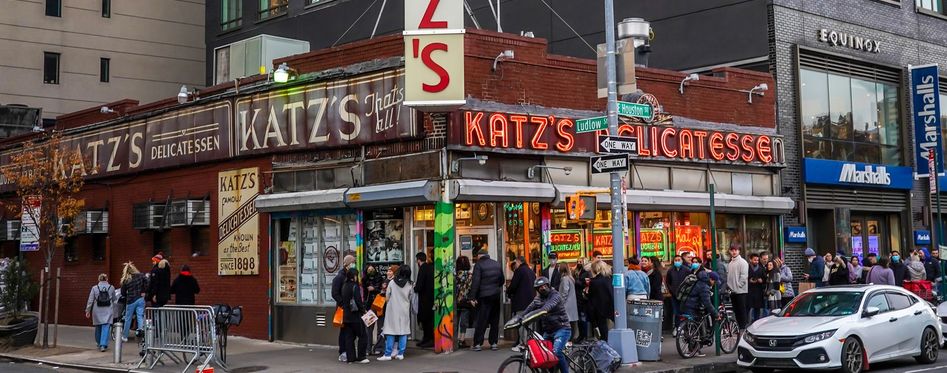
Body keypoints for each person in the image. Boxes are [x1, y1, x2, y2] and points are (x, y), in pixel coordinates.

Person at [514, 277, 572, 373]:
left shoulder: (555, 296)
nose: (543, 288)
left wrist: (529, 316)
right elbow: (528, 309)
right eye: (540, 287)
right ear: (537, 289)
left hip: (562, 328)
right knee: (544, 356)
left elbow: (546, 308)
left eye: (544, 286)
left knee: (556, 352)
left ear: (548, 285)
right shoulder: (537, 299)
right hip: (548, 330)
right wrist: (519, 318)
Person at [470, 250, 504, 351]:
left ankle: (478, 344)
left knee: (482, 320)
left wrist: (472, 297)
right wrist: (495, 287)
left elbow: (475, 282)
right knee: (494, 320)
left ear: (479, 256)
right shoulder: (496, 264)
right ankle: (493, 343)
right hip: (496, 295)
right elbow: (501, 280)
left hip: (484, 296)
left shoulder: (478, 265)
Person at [681, 270, 718, 357]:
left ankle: (691, 349)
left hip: (685, 304)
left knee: (689, 328)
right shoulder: (704, 287)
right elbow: (707, 303)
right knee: (695, 328)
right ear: (711, 280)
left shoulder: (699, 280)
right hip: (693, 306)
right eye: (715, 282)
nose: (714, 284)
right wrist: (716, 314)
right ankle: (694, 350)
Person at [378, 266, 413, 361]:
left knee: (390, 331)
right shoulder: (410, 284)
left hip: (392, 310)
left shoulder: (392, 283)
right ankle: (400, 353)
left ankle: (388, 354)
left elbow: (387, 296)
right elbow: (410, 297)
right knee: (403, 331)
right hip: (404, 310)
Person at [507, 255, 536, 351]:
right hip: (531, 301)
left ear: (518, 262)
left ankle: (523, 344)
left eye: (516, 263)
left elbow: (513, 286)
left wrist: (508, 291)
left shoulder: (519, 271)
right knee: (529, 323)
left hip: (521, 301)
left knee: (521, 323)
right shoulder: (531, 271)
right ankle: (529, 343)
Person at [341, 268, 370, 364]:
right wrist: (364, 311)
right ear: (354, 276)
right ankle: (361, 356)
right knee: (363, 335)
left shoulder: (344, 286)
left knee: (349, 337)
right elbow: (358, 301)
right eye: (356, 275)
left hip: (346, 316)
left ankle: (351, 358)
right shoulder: (355, 286)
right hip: (355, 316)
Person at [332, 255, 357, 362]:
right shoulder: (339, 277)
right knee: (344, 330)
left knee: (350, 330)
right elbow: (335, 293)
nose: (354, 264)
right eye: (353, 262)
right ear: (347, 264)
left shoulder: (352, 275)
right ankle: (343, 351)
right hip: (343, 308)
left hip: (352, 308)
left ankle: (349, 351)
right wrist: (343, 303)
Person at [85, 273, 116, 352]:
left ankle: (99, 343)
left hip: (97, 310)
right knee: (106, 327)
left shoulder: (94, 288)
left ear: (99, 279)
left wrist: (88, 310)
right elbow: (114, 299)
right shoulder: (111, 287)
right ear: (107, 279)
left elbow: (90, 300)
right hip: (108, 309)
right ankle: (103, 344)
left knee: (98, 327)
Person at [120, 262, 148, 342]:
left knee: (128, 319)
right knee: (140, 316)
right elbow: (147, 281)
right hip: (140, 298)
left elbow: (123, 293)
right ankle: (141, 334)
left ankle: (125, 336)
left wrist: (127, 294)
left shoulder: (126, 279)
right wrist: (144, 290)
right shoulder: (140, 275)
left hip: (131, 300)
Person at [587, 260, 614, 340]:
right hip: (611, 310)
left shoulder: (594, 282)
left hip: (600, 311)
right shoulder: (610, 278)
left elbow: (591, 299)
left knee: (603, 335)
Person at [414, 252, 435, 348]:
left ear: (418, 260)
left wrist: (415, 287)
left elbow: (419, 286)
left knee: (426, 320)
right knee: (429, 320)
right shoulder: (430, 267)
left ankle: (428, 339)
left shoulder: (422, 269)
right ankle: (427, 338)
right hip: (430, 298)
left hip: (424, 299)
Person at [666, 254, 691, 331]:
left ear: (682, 261)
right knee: (676, 312)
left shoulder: (686, 270)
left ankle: (684, 328)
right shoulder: (670, 270)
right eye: (676, 260)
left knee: (684, 311)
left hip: (684, 295)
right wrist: (671, 290)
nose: (677, 262)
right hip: (674, 295)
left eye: (679, 260)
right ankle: (677, 327)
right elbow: (668, 282)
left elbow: (690, 281)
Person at [727, 245, 749, 330]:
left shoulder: (743, 262)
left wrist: (738, 286)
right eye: (732, 250)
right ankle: (739, 327)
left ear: (739, 251)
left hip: (740, 291)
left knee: (741, 310)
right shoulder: (730, 263)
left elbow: (744, 276)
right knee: (736, 310)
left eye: (736, 250)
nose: (734, 252)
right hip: (733, 291)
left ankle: (743, 328)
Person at [454, 256, 473, 348]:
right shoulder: (469, 275)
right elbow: (471, 288)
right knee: (464, 322)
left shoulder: (454, 275)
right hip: (465, 301)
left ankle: (454, 339)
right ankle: (462, 339)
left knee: (455, 320)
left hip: (455, 301)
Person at [557, 262, 579, 340]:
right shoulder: (570, 278)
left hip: (567, 305)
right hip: (571, 304)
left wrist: (561, 303)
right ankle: (571, 338)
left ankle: (568, 339)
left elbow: (565, 291)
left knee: (567, 323)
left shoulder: (565, 279)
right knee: (571, 323)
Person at [573, 257, 591, 342]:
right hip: (577, 298)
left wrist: (576, 281)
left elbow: (583, 283)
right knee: (580, 319)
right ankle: (581, 335)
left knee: (583, 318)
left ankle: (584, 336)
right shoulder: (576, 272)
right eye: (578, 262)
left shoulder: (586, 273)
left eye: (581, 262)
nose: (579, 263)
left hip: (583, 299)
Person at [747, 253, 766, 322]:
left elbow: (765, 280)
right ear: (750, 259)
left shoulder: (761, 269)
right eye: (755, 260)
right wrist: (749, 281)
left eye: (757, 260)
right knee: (748, 307)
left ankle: (756, 321)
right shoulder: (747, 268)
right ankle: (748, 322)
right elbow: (744, 278)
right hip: (749, 291)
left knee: (757, 308)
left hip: (758, 291)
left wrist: (762, 280)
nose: (756, 262)